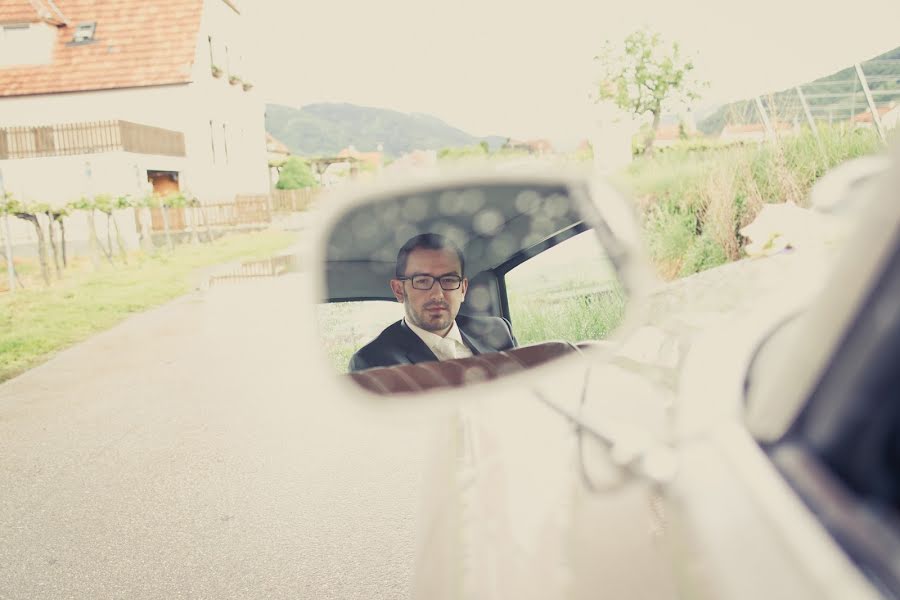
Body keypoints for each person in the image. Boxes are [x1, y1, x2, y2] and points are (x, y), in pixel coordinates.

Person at [348, 233, 517, 372]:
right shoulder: (371, 362)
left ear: (463, 289)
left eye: (449, 280)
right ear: (399, 290)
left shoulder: (497, 331)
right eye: (422, 281)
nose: (437, 294)